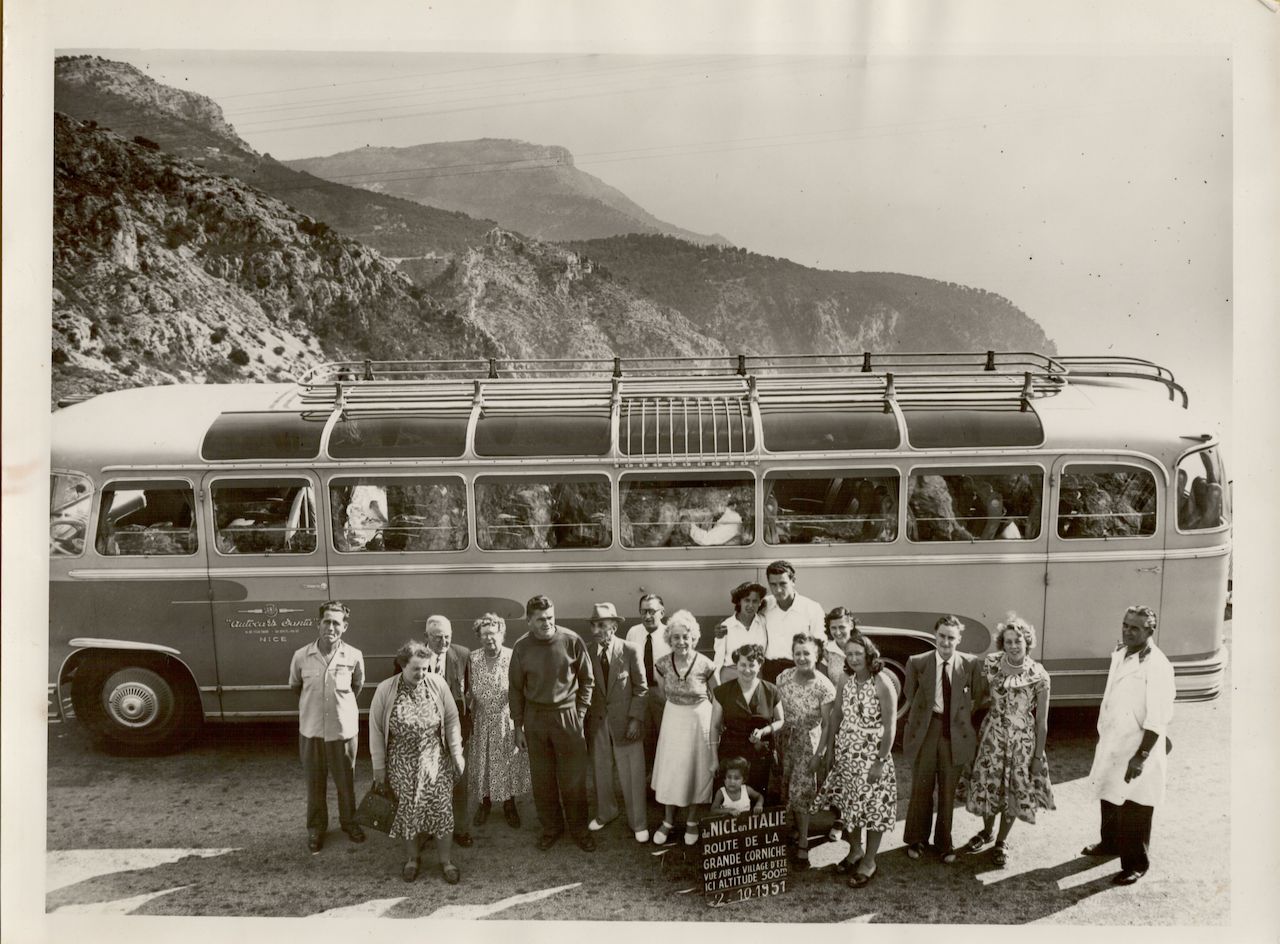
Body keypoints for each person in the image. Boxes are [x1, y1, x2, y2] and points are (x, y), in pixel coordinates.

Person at [1082, 605, 1175, 885]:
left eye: (1135, 627)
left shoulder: (1158, 665)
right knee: (1109, 794)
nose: (1127, 631)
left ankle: (1136, 863)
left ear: (1150, 631)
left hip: (1137, 746)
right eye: (1125, 624)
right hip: (1114, 740)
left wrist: (1141, 756)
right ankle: (1109, 844)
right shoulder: (1121, 654)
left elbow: (1158, 719)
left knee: (1136, 805)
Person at [370, 642, 466, 884]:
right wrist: (378, 767)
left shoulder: (437, 684)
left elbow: (452, 720)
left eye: (426, 668)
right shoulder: (385, 689)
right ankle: (412, 859)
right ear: (403, 665)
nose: (422, 674)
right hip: (401, 762)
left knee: (442, 810)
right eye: (416, 669)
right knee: (408, 811)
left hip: (435, 761)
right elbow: (375, 730)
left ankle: (446, 861)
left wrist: (457, 753)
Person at [963, 614, 1055, 867]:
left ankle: (1001, 841)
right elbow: (980, 699)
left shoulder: (1039, 674)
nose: (1013, 646)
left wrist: (1037, 757)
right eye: (1008, 641)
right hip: (991, 736)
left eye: (1018, 641)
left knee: (1013, 789)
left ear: (1027, 642)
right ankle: (987, 831)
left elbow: (1041, 722)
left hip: (1021, 741)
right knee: (989, 785)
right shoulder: (992, 663)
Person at [509, 595, 596, 852]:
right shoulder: (521, 647)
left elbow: (587, 680)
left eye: (550, 617)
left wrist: (579, 714)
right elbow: (515, 689)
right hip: (536, 718)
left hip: (567, 716)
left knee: (574, 779)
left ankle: (579, 829)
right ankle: (551, 828)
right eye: (540, 619)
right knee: (543, 779)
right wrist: (518, 726)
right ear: (529, 621)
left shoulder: (571, 640)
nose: (547, 623)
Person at [814, 629, 898, 887]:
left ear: (869, 654)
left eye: (858, 653)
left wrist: (880, 761)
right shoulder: (844, 680)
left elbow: (891, 725)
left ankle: (869, 860)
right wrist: (829, 748)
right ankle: (855, 851)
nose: (853, 658)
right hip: (847, 752)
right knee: (849, 805)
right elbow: (836, 715)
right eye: (848, 654)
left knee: (872, 809)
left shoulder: (883, 682)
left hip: (872, 754)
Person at [902, 615, 986, 863]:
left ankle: (944, 842)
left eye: (951, 637)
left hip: (955, 733)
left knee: (948, 790)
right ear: (935, 636)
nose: (946, 642)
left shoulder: (970, 663)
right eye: (942, 636)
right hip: (927, 731)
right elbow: (910, 693)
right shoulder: (917, 662)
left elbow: (978, 697)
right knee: (921, 787)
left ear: (959, 639)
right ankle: (916, 839)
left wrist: (958, 720)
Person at [287, 601, 365, 854]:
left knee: (346, 783)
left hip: (343, 732)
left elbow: (357, 687)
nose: (331, 627)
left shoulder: (353, 655)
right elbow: (296, 686)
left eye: (336, 622)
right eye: (326, 621)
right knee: (315, 784)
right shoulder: (301, 656)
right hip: (311, 731)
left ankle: (349, 823)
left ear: (345, 626)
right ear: (317, 624)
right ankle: (316, 829)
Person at [583, 602, 651, 843]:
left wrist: (635, 719)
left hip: (627, 723)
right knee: (601, 771)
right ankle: (606, 812)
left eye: (604, 625)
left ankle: (638, 822)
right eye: (595, 625)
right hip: (598, 723)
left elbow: (641, 689)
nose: (599, 630)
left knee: (632, 773)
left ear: (614, 626)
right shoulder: (587, 651)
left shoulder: (630, 650)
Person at [650, 609, 717, 846]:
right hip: (673, 718)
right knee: (672, 771)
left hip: (699, 720)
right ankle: (668, 821)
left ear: (693, 638)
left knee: (696, 770)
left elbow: (715, 696)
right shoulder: (662, 664)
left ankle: (691, 820)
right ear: (669, 639)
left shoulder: (706, 664)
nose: (681, 642)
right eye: (676, 637)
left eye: (685, 637)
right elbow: (661, 691)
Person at [775, 633, 836, 866]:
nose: (801, 657)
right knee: (786, 786)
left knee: (802, 794)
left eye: (806, 653)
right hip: (784, 739)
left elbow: (828, 724)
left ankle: (803, 844)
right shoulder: (783, 677)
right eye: (797, 653)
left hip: (808, 743)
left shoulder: (824, 686)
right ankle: (794, 830)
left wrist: (818, 755)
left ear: (816, 655)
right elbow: (776, 708)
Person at [466, 614, 529, 830]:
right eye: (484, 635)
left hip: (506, 720)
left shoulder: (513, 657)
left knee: (507, 764)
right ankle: (484, 804)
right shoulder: (472, 659)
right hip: (482, 721)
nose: (489, 639)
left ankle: (509, 806)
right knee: (483, 764)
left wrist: (520, 723)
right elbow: (468, 692)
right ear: (479, 637)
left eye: (493, 634)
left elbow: (521, 690)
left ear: (501, 634)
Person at [424, 615, 473, 848]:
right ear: (427, 637)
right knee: (426, 780)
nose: (444, 642)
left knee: (458, 777)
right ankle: (426, 829)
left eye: (447, 636)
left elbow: (470, 691)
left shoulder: (462, 655)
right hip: (424, 731)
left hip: (455, 728)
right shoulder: (412, 656)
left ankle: (460, 828)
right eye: (437, 637)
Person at [710, 643, 781, 800]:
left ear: (760, 664)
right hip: (731, 753)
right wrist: (714, 759)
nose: (747, 670)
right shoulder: (722, 691)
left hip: (759, 753)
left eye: (752, 665)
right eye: (742, 664)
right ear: (736, 665)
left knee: (756, 801)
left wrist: (764, 731)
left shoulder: (771, 690)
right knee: (729, 800)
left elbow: (780, 720)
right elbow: (715, 727)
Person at [624, 593, 669, 775]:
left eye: (652, 611)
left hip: (663, 694)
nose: (647, 616)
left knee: (665, 738)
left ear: (662, 612)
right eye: (643, 612)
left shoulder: (671, 634)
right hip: (640, 694)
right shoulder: (633, 632)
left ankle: (664, 781)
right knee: (644, 739)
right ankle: (647, 781)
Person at [761, 561, 826, 682]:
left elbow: (819, 644)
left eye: (783, 584)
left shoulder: (812, 608)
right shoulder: (764, 606)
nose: (778, 590)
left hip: (799, 669)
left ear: (793, 581)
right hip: (769, 670)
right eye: (773, 585)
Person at [711, 581, 769, 681]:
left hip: (755, 676)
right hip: (730, 678)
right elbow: (718, 661)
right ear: (739, 601)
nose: (750, 605)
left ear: (760, 602)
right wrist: (716, 689)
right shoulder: (726, 626)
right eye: (747, 600)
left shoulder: (764, 623)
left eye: (755, 601)